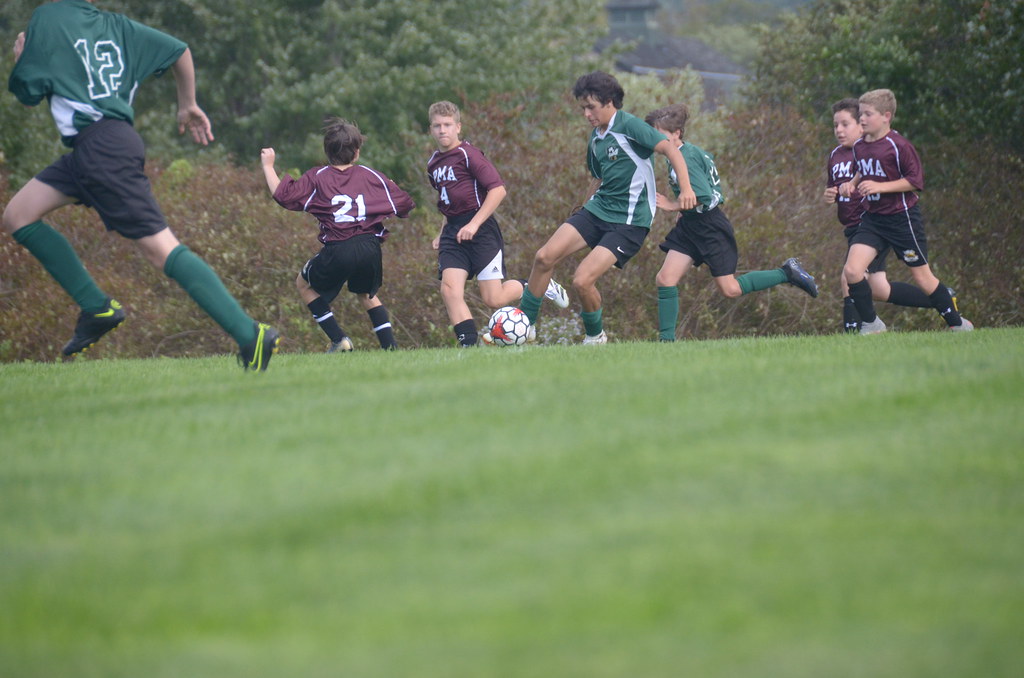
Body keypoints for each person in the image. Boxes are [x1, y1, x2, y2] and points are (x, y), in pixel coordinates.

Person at [3, 0, 279, 370]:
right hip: (102, 146)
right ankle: (96, 307)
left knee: (160, 249)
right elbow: (179, 50)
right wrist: (187, 103)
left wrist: (22, 59)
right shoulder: (119, 27)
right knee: (19, 215)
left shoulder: (49, 16)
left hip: (101, 151)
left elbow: (28, 94)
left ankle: (249, 334)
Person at [517, 71, 698, 344]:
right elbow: (598, 177)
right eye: (583, 108)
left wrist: (686, 190)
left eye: (591, 107)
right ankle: (525, 326)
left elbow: (671, 150)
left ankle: (595, 336)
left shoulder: (630, 126)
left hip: (629, 222)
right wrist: (583, 207)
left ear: (609, 102)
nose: (586, 114)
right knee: (544, 257)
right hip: (597, 211)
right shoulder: (596, 137)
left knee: (582, 280)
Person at [645, 103, 819, 341]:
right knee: (665, 279)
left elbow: (704, 196)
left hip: (710, 228)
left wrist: (672, 205)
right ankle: (666, 343)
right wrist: (684, 211)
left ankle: (787, 272)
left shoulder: (686, 158)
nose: (655, 140)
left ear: (676, 133)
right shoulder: (682, 152)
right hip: (691, 225)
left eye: (659, 134)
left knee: (730, 289)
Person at [260, 119, 414, 352]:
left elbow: (284, 196)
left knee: (304, 284)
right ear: (357, 152)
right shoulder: (372, 175)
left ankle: (338, 339)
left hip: (339, 247)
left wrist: (268, 166)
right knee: (367, 294)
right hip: (370, 247)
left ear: (327, 151)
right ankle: (391, 348)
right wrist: (391, 186)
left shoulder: (318, 176)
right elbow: (405, 204)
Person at [426, 100, 568, 347]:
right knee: (449, 290)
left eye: (447, 125)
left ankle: (536, 285)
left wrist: (474, 224)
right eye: (437, 126)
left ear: (458, 127)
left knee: (493, 298)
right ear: (431, 129)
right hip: (453, 233)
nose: (442, 130)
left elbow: (498, 190)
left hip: (481, 231)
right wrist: (442, 232)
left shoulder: (469, 155)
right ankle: (468, 346)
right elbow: (448, 202)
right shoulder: (433, 164)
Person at [839, 89, 972, 333]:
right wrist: (852, 184)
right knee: (852, 271)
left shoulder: (898, 145)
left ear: (886, 116)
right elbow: (862, 170)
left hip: (902, 220)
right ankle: (872, 324)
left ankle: (958, 324)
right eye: (861, 114)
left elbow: (914, 181)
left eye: (868, 114)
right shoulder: (859, 145)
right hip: (873, 220)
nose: (862, 119)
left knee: (923, 279)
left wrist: (880, 186)